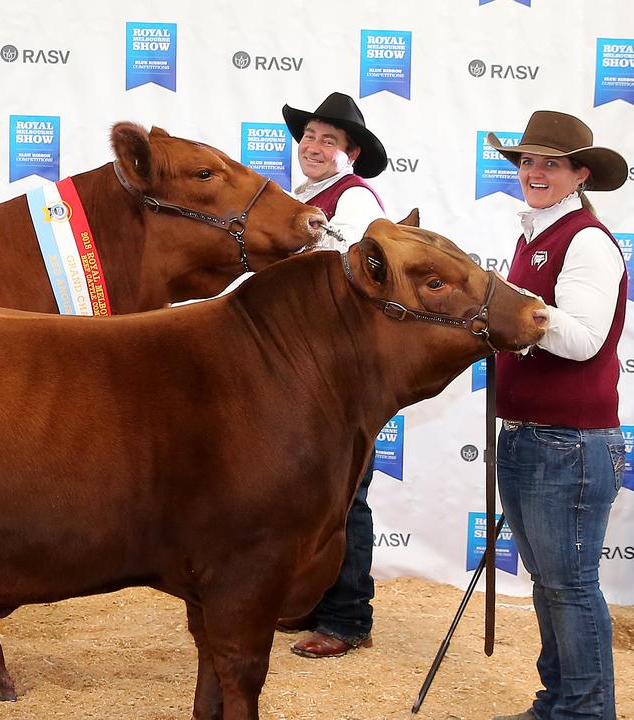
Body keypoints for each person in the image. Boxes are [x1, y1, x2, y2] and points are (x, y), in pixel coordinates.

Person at [490, 110, 627, 720]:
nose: (534, 172)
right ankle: (561, 701)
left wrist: (507, 307)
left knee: (567, 586)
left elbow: (581, 340)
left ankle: (585, 709)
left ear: (579, 174)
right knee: (551, 586)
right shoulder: (533, 238)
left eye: (551, 162)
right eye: (527, 161)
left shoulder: (587, 240)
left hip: (567, 441)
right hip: (533, 436)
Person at [277, 91, 389, 658]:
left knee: (348, 496)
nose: (313, 147)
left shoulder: (357, 200)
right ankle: (313, 603)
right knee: (313, 492)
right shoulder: (303, 201)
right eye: (309, 137)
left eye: (329, 140)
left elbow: (336, 264)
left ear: (351, 153)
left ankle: (348, 618)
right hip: (310, 369)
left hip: (342, 372)